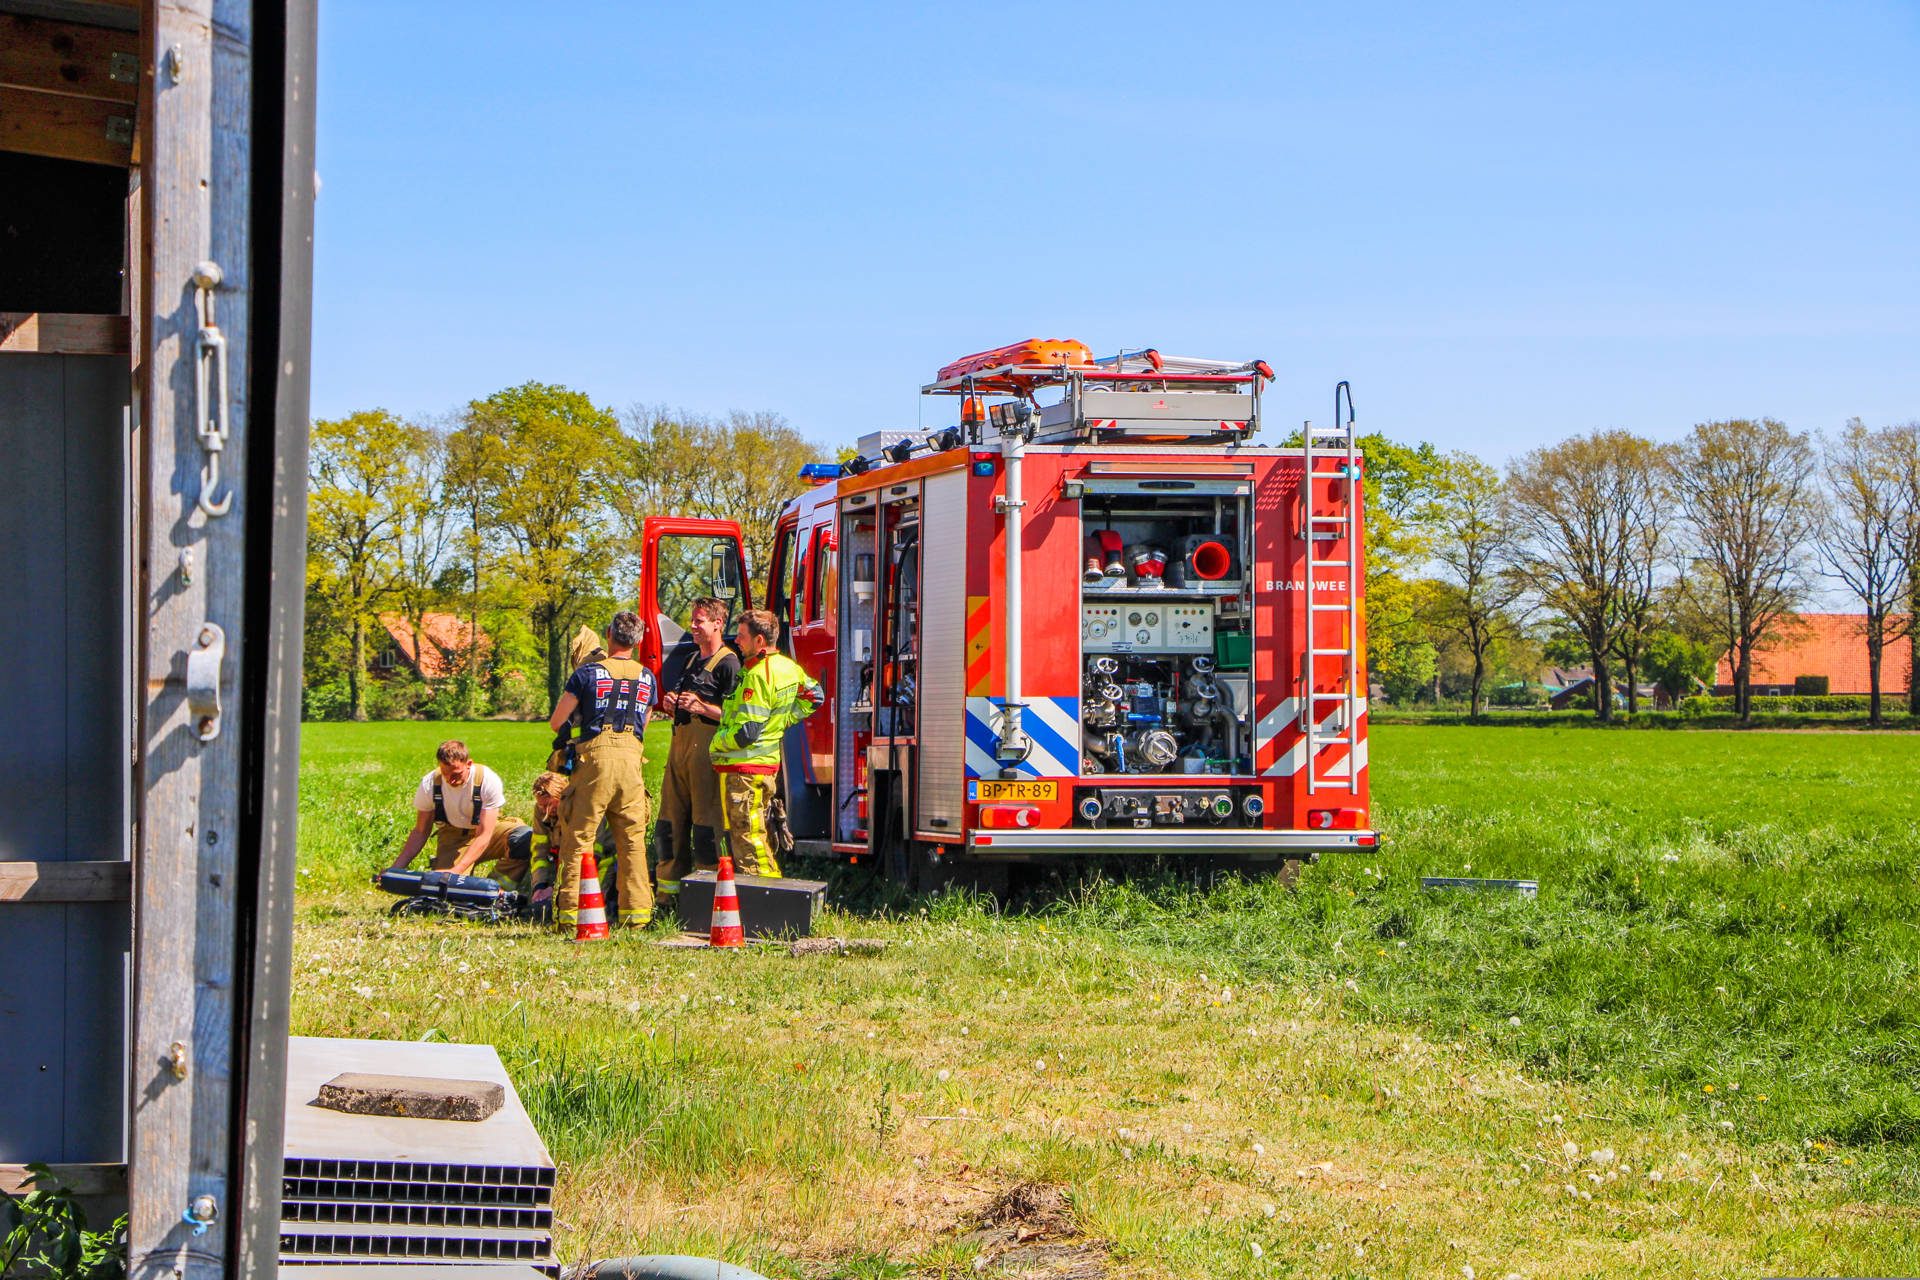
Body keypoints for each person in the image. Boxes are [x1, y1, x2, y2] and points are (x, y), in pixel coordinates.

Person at [547, 610, 657, 932]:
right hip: (632, 763)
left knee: (579, 838)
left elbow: (557, 722)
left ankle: (571, 917)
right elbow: (644, 724)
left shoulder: (587, 674)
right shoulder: (647, 677)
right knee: (632, 841)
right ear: (638, 641)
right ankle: (636, 918)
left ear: (609, 634)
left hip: (595, 761)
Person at [710, 608, 822, 878]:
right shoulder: (788, 667)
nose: (736, 640)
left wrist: (716, 744)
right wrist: (781, 721)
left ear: (760, 641)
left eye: (742, 636)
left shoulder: (758, 675)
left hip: (746, 769)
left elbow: (746, 733)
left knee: (749, 837)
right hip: (764, 766)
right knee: (761, 832)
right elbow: (815, 696)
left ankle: (764, 894)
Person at [652, 597, 741, 907]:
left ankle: (705, 900)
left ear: (717, 624)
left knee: (706, 825)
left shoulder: (729, 663)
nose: (692, 625)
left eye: (699, 620)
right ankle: (667, 897)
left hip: (707, 751)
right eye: (693, 620)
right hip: (679, 746)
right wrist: (671, 703)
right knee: (670, 823)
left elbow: (736, 716)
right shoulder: (691, 660)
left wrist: (703, 707)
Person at [386, 740, 531, 882]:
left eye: (456, 774)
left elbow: (484, 835)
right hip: (453, 837)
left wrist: (458, 870)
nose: (450, 780)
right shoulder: (429, 784)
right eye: (445, 773)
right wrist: (395, 869)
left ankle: (497, 888)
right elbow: (420, 832)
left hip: (488, 831)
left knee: (524, 838)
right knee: (445, 885)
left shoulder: (487, 780)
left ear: (469, 764)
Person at [524, 770, 615, 919]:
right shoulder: (541, 811)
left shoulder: (583, 807)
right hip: (565, 863)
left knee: (590, 903)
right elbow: (539, 852)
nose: (545, 811)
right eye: (541, 806)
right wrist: (540, 886)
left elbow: (591, 855)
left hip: (601, 862)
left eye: (549, 804)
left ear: (562, 795)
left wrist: (559, 889)